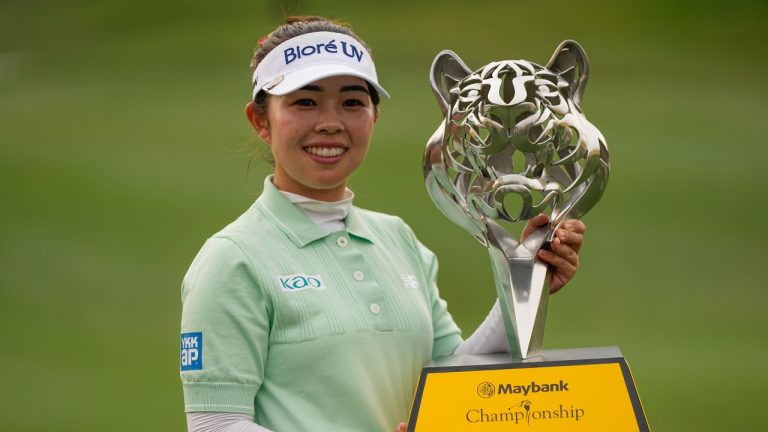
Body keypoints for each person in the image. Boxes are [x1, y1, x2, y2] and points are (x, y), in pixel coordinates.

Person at [179, 16, 586, 432]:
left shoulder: (396, 238)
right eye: (305, 102)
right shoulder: (233, 259)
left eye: (352, 102)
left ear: (374, 116)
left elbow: (453, 376)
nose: (330, 122)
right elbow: (215, 424)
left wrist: (525, 282)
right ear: (261, 121)